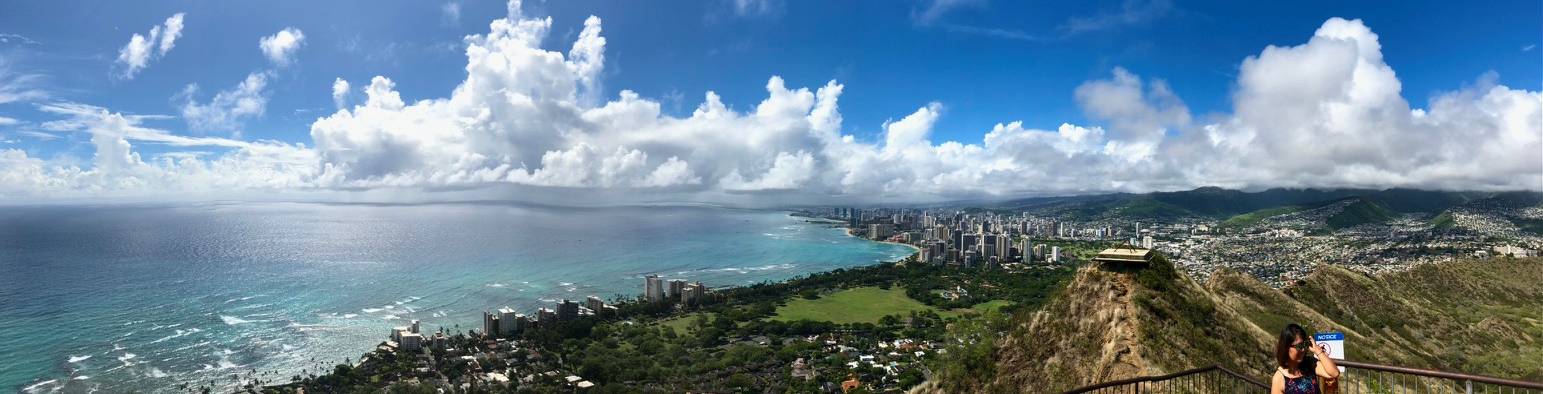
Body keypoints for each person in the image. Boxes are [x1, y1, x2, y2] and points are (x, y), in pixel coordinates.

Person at [1271, 323, 1340, 394]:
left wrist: (1318, 351)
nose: (1303, 349)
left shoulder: (1309, 363)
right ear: (1286, 347)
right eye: (1299, 346)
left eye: (1305, 344)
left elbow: (1334, 373)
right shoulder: (1279, 378)